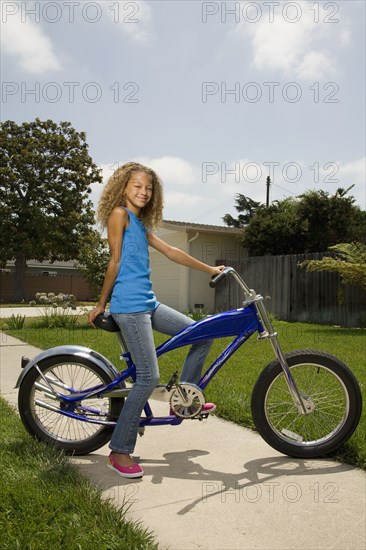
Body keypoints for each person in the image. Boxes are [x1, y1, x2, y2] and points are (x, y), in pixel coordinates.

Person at [88, 162, 225, 479]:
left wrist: (210, 270)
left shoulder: (139, 223)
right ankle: (120, 451)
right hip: (129, 307)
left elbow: (173, 252)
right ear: (124, 187)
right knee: (148, 378)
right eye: (137, 185)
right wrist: (101, 303)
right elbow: (115, 260)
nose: (143, 191)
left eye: (148, 188)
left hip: (148, 304)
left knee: (201, 335)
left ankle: (183, 400)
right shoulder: (119, 215)